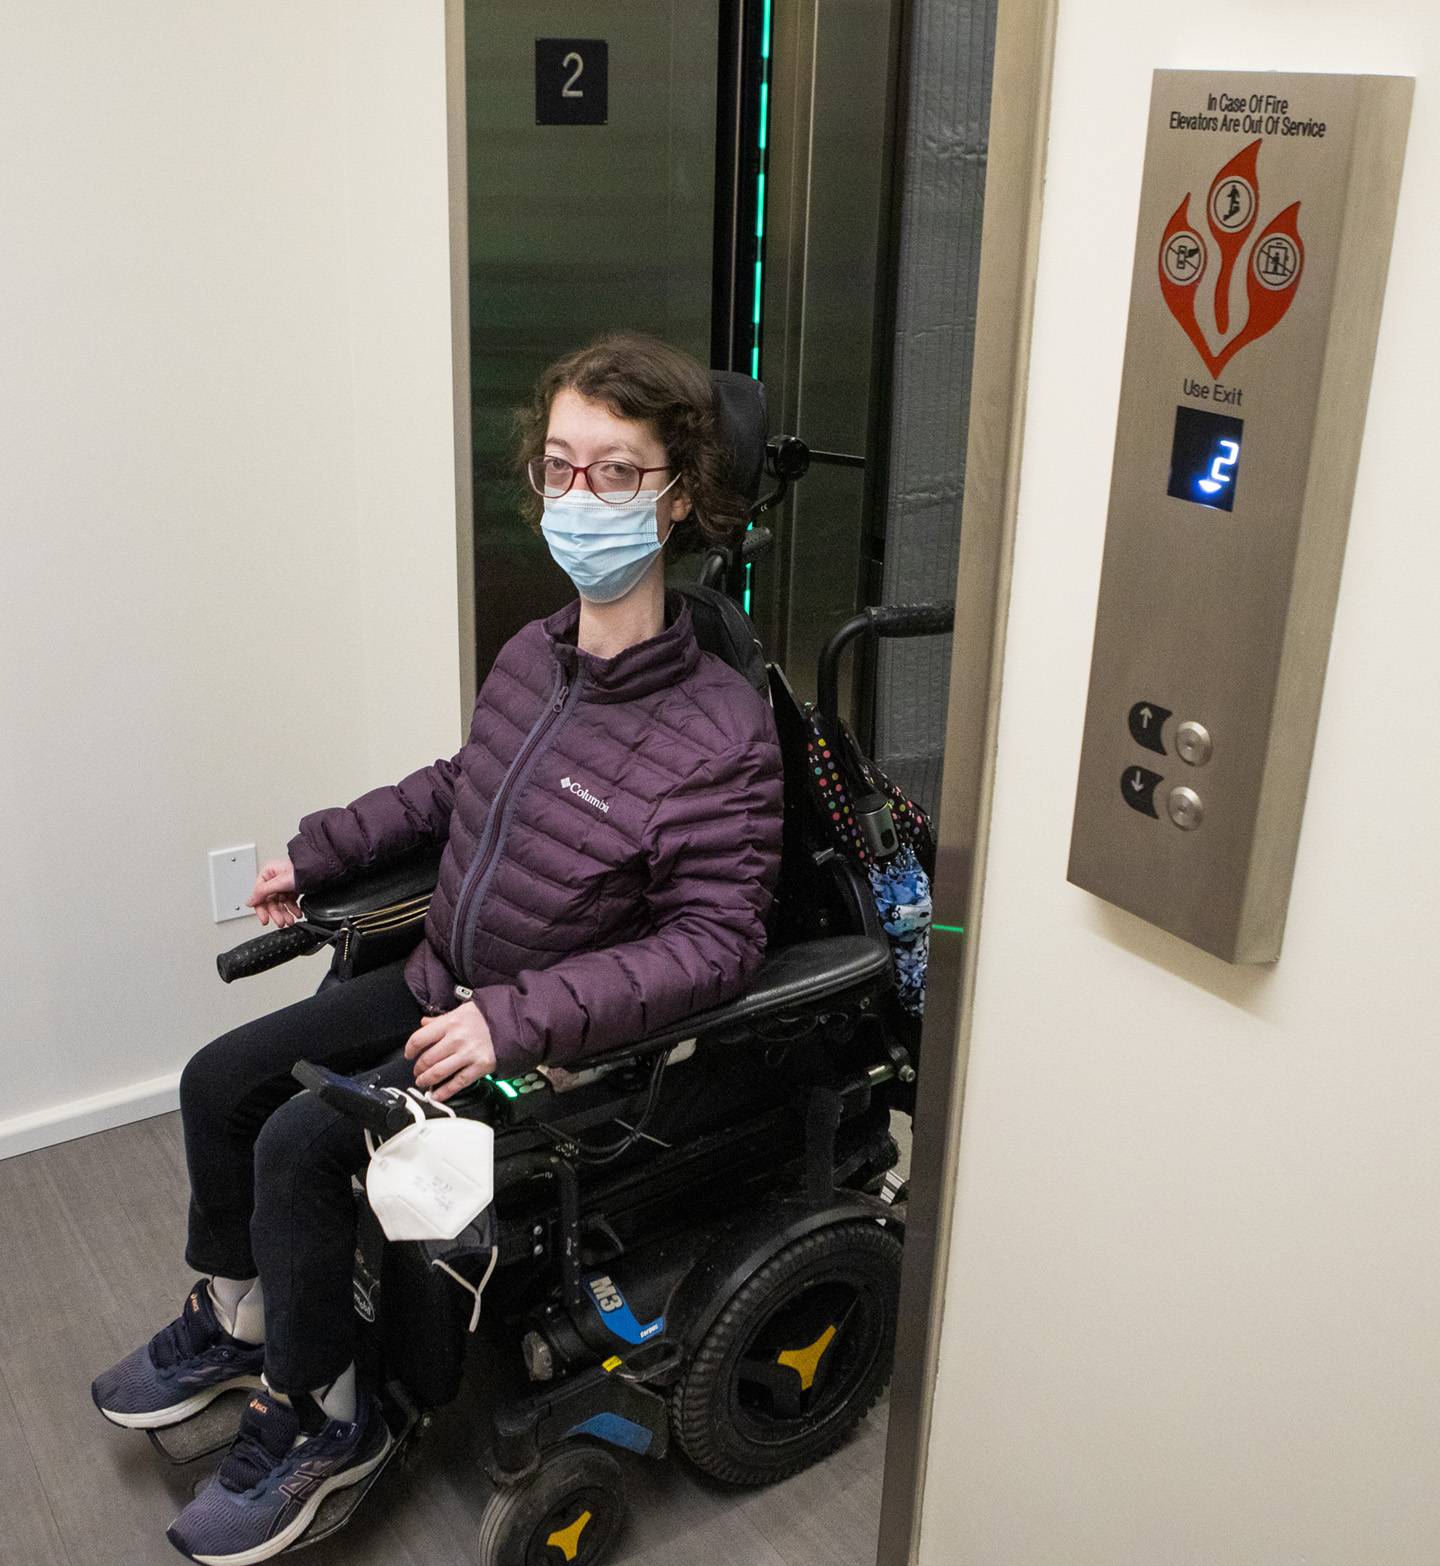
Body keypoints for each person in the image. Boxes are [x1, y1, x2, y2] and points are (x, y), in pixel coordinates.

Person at [90, 333, 784, 1565]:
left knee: (305, 1145)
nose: (581, 501)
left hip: (551, 1055)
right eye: (561, 468)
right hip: (434, 982)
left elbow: (715, 944)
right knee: (221, 1081)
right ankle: (251, 1315)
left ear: (677, 496)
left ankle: (322, 1420)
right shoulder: (538, 651)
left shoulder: (720, 732)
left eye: (616, 475)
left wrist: (518, 1021)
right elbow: (467, 783)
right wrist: (324, 852)